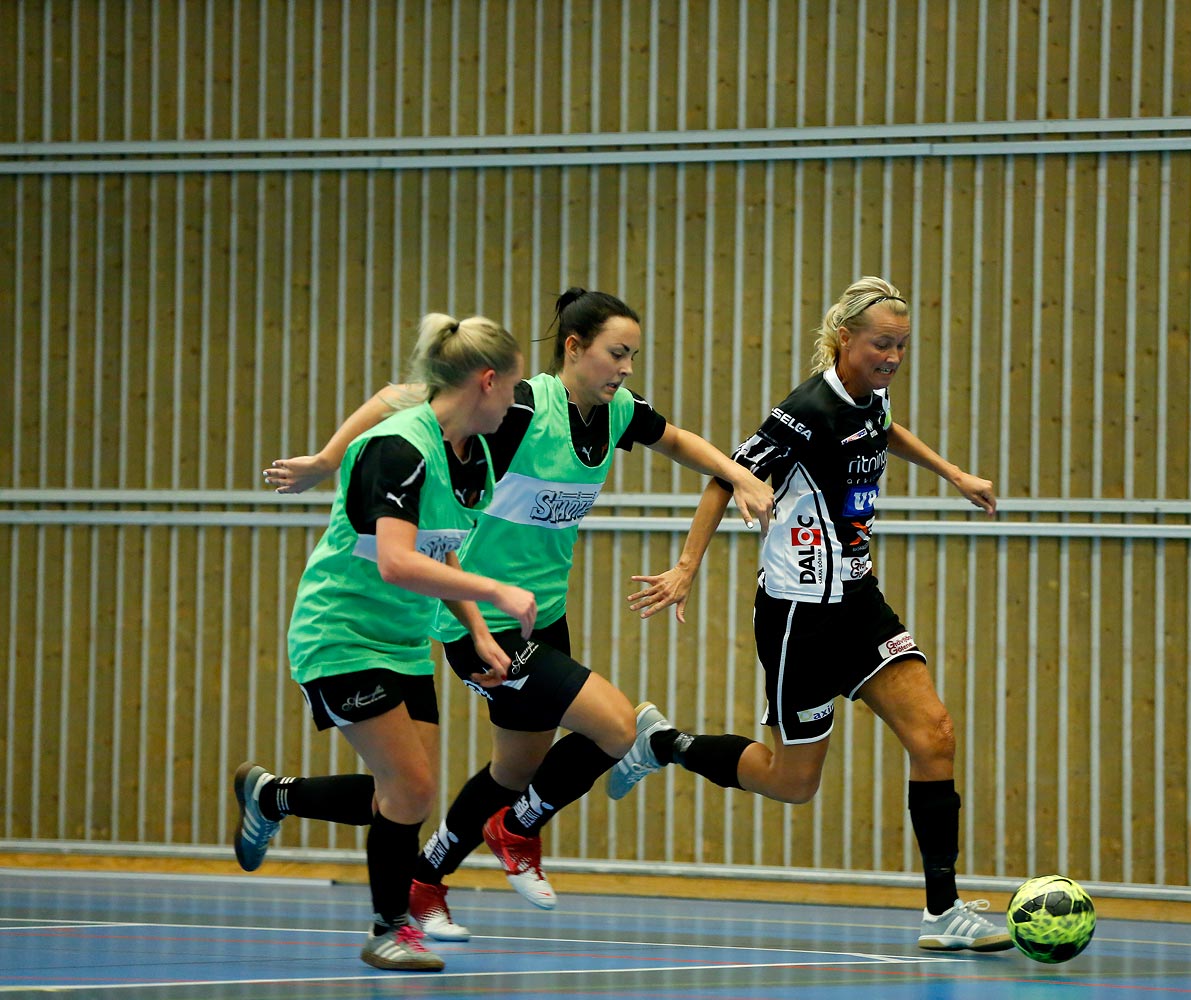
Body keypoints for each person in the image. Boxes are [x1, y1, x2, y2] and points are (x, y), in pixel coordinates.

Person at [263, 288, 775, 941]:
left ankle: (427, 882)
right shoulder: (522, 403)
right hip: (474, 616)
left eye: (634, 357)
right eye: (615, 353)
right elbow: (402, 395)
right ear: (573, 347)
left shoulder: (617, 414)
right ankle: (516, 830)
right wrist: (329, 459)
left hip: (542, 614)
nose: (625, 368)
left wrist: (741, 475)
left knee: (512, 770)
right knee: (618, 730)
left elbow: (678, 441)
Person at [609, 276, 1012, 952]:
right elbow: (724, 476)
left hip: (859, 601)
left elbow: (884, 428)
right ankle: (661, 744)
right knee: (792, 783)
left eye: (903, 346)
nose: (892, 356)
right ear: (844, 338)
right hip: (799, 617)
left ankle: (942, 912)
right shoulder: (804, 411)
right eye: (881, 343)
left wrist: (954, 474)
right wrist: (686, 567)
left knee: (934, 733)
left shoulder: (870, 395)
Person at [233, 314, 536, 972]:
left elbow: (442, 553)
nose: (513, 404)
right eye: (511, 390)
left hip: (401, 640)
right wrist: (499, 595)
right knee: (412, 787)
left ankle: (270, 797)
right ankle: (388, 927)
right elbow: (398, 561)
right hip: (340, 632)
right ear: (486, 382)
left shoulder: (473, 457)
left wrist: (479, 632)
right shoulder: (398, 447)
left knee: (407, 795)